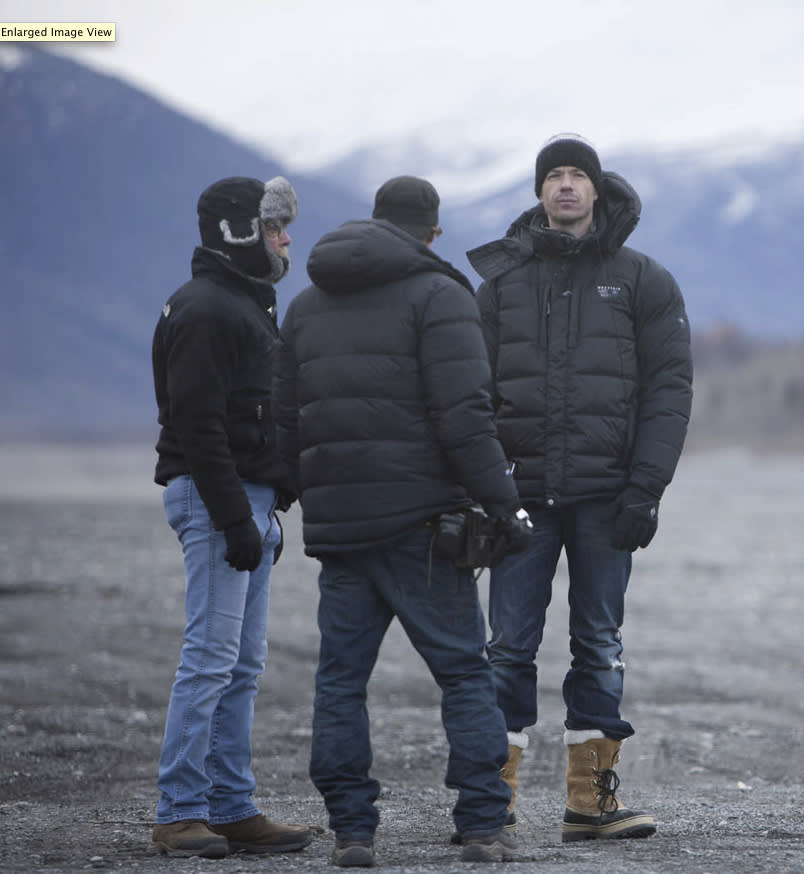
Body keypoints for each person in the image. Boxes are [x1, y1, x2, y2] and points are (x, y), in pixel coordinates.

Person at [274, 175, 533, 866]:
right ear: (432, 233)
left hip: (339, 531)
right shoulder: (441, 295)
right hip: (422, 526)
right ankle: (482, 824)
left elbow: (284, 420)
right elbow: (465, 416)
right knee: (464, 674)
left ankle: (352, 832)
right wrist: (505, 503)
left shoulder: (304, 306)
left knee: (339, 681)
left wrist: (305, 496)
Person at [466, 133, 693, 842]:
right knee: (507, 648)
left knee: (599, 642)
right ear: (539, 191)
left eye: (577, 175)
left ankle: (590, 805)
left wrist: (646, 488)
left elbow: (669, 390)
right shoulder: (501, 283)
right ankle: (489, 806)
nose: (565, 185)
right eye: (553, 175)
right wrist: (483, 487)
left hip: (606, 498)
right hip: (520, 498)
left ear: (598, 190)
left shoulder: (641, 279)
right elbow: (467, 392)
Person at [149, 176, 314, 858]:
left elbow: (251, 414)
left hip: (246, 500)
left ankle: (229, 803)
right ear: (240, 230)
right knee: (211, 660)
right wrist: (234, 519)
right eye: (274, 227)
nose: (285, 239)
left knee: (241, 664)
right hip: (217, 498)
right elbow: (198, 424)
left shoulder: (244, 303)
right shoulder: (207, 308)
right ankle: (179, 810)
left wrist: (273, 494)